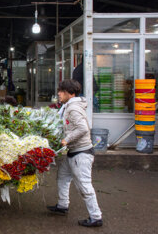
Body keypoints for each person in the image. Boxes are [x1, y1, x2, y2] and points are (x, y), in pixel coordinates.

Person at [47, 79, 103, 228]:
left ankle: (96, 217)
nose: (59, 94)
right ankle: (62, 205)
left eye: (61, 91)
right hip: (73, 152)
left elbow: (83, 128)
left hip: (81, 154)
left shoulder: (73, 109)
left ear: (70, 94)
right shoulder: (68, 106)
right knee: (63, 177)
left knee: (84, 186)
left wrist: (67, 139)